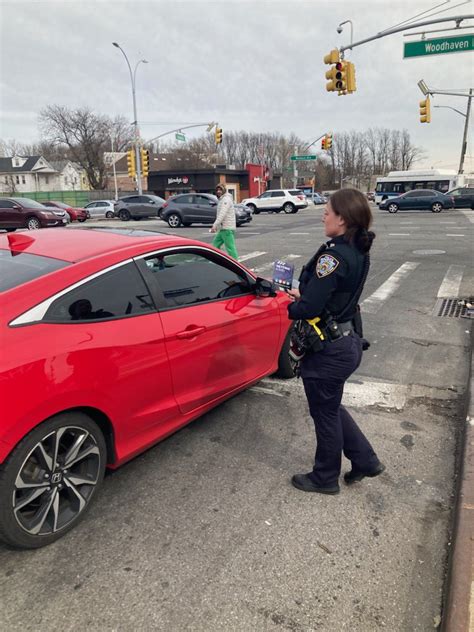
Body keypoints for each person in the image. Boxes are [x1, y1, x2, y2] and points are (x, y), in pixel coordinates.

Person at [286, 188, 385, 494]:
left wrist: (292, 303)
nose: (323, 215)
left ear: (341, 219)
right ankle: (365, 461)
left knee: (325, 413)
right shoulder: (357, 249)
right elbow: (337, 296)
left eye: (327, 211)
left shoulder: (332, 257)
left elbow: (309, 308)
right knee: (330, 406)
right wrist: (312, 295)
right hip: (347, 342)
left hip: (329, 351)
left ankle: (325, 477)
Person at [210, 183, 238, 259]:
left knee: (230, 248)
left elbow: (222, 213)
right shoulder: (222, 199)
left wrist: (215, 225)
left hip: (227, 228)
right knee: (215, 246)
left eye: (220, 190)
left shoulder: (226, 199)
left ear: (224, 190)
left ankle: (236, 265)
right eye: (217, 190)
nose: (218, 191)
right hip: (223, 228)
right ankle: (217, 260)